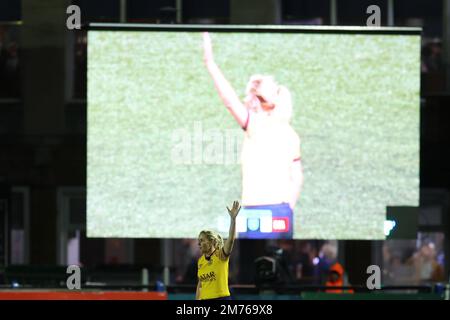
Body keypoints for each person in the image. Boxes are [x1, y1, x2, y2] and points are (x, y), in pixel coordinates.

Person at [202, 32, 303, 239]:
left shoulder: (256, 125)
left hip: (255, 211)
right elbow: (298, 177)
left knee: (249, 265)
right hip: (281, 210)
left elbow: (230, 102)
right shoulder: (291, 135)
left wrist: (210, 63)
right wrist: (288, 208)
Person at [196, 200, 241, 300]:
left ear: (212, 241)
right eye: (198, 240)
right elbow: (200, 285)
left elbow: (231, 239)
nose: (199, 243)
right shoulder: (200, 261)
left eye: (202, 240)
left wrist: (233, 219)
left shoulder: (221, 255)